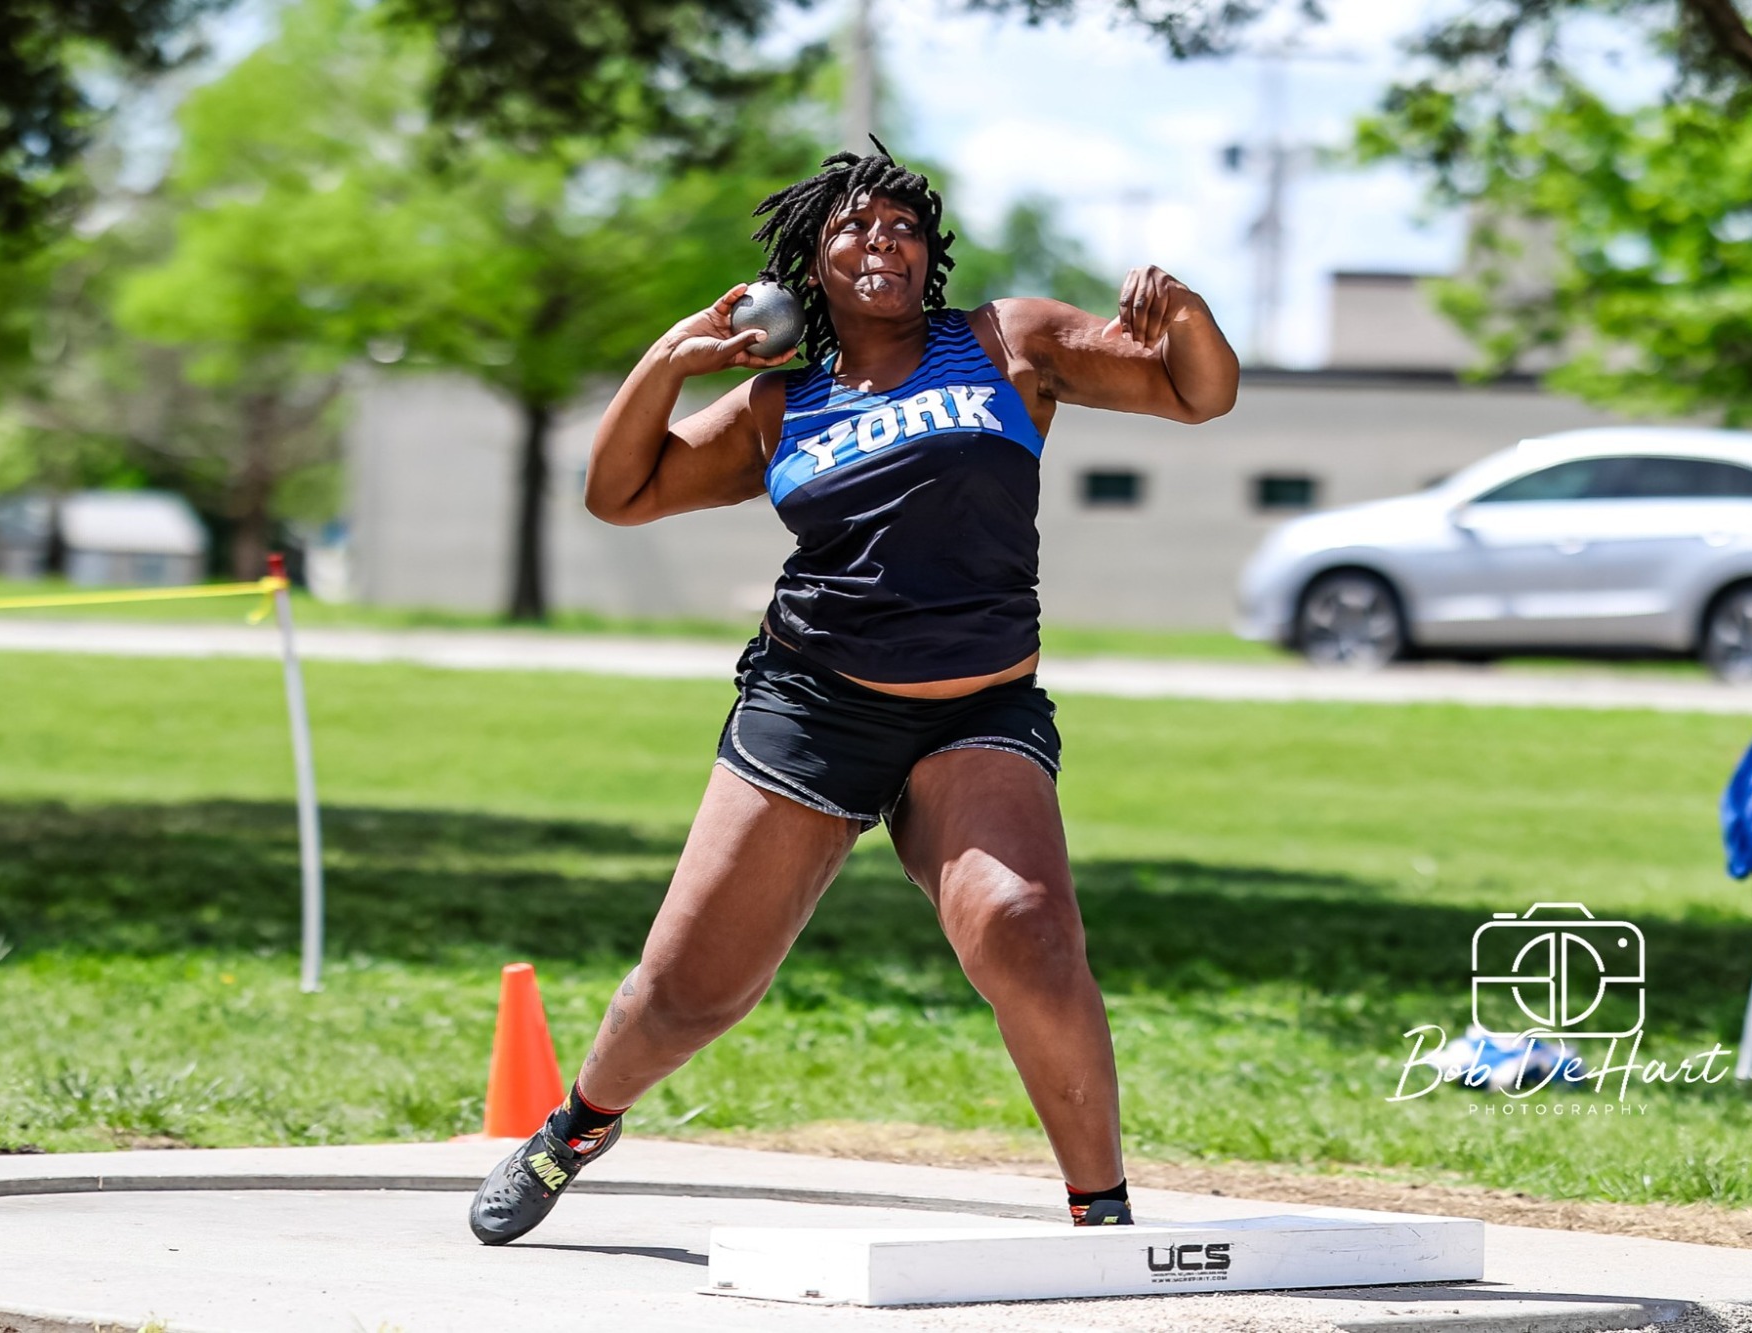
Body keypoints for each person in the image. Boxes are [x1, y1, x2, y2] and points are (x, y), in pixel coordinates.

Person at [469, 142, 1238, 1245]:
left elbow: (1193, 393)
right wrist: (669, 360)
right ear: (810, 264)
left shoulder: (1005, 341)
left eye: (901, 228)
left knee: (1023, 929)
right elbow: (618, 493)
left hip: (975, 708)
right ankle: (575, 1127)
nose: (881, 243)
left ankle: (1101, 1211)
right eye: (853, 229)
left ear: (929, 254)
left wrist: (1191, 316)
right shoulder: (778, 403)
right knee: (690, 992)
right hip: (811, 708)